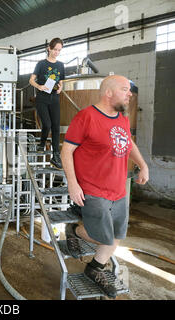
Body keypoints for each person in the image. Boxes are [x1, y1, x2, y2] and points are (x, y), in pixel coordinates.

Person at [61, 75, 149, 298]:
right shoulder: (86, 117)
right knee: (105, 237)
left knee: (117, 235)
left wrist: (143, 164)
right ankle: (76, 230)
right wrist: (73, 183)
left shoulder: (122, 118)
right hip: (93, 188)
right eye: (124, 89)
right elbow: (66, 151)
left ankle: (95, 268)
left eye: (129, 90)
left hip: (118, 189)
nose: (130, 94)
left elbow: (128, 143)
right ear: (108, 92)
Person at [29, 37, 65, 169]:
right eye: (55, 49)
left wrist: (61, 87)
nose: (56, 52)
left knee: (56, 127)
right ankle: (42, 143)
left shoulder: (60, 65)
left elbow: (61, 80)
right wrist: (39, 86)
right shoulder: (41, 64)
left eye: (59, 50)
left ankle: (56, 156)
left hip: (54, 98)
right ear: (49, 48)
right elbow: (31, 80)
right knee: (47, 124)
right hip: (42, 98)